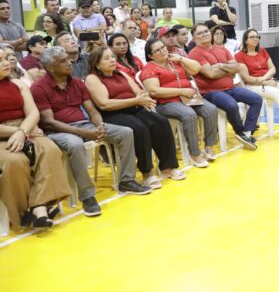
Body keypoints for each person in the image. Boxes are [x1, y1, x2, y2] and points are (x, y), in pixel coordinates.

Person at [32, 47, 150, 217]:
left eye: (68, 58)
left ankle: (126, 181)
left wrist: (100, 125)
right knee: (75, 144)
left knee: (125, 132)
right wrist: (84, 132)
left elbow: (92, 111)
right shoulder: (39, 88)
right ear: (51, 67)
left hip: (84, 124)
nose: (70, 62)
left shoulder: (77, 83)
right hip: (58, 131)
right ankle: (88, 196)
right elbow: (49, 122)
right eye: (63, 61)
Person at [85, 47, 185, 189]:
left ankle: (168, 167)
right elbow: (104, 104)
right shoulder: (92, 78)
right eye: (106, 58)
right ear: (96, 64)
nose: (112, 60)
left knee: (160, 122)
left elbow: (139, 92)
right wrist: (135, 101)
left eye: (112, 56)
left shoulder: (120, 74)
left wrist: (143, 98)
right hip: (112, 115)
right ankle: (147, 173)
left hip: (133, 108)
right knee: (139, 127)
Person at [0, 52, 71, 230]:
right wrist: (18, 132)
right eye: (0, 60)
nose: (6, 62)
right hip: (5, 133)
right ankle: (24, 212)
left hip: (26, 128)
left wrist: (23, 131)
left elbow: (33, 113)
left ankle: (38, 208)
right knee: (15, 162)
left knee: (50, 150)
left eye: (6, 58)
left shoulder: (18, 83)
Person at [141, 38, 217, 166]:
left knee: (211, 109)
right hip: (165, 103)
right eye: (158, 50)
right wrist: (180, 91)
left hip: (187, 97)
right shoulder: (150, 68)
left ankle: (209, 146)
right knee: (189, 115)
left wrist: (181, 59)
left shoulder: (174, 62)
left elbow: (196, 69)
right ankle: (194, 154)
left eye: (163, 47)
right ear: (150, 55)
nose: (163, 51)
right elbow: (154, 91)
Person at [188, 23, 263, 149]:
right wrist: (228, 70)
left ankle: (246, 132)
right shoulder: (195, 54)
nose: (204, 34)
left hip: (230, 88)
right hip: (210, 92)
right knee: (231, 104)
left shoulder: (222, 49)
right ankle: (240, 132)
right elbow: (211, 74)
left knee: (257, 99)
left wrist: (221, 66)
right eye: (200, 33)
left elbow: (236, 68)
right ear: (194, 39)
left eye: (206, 31)